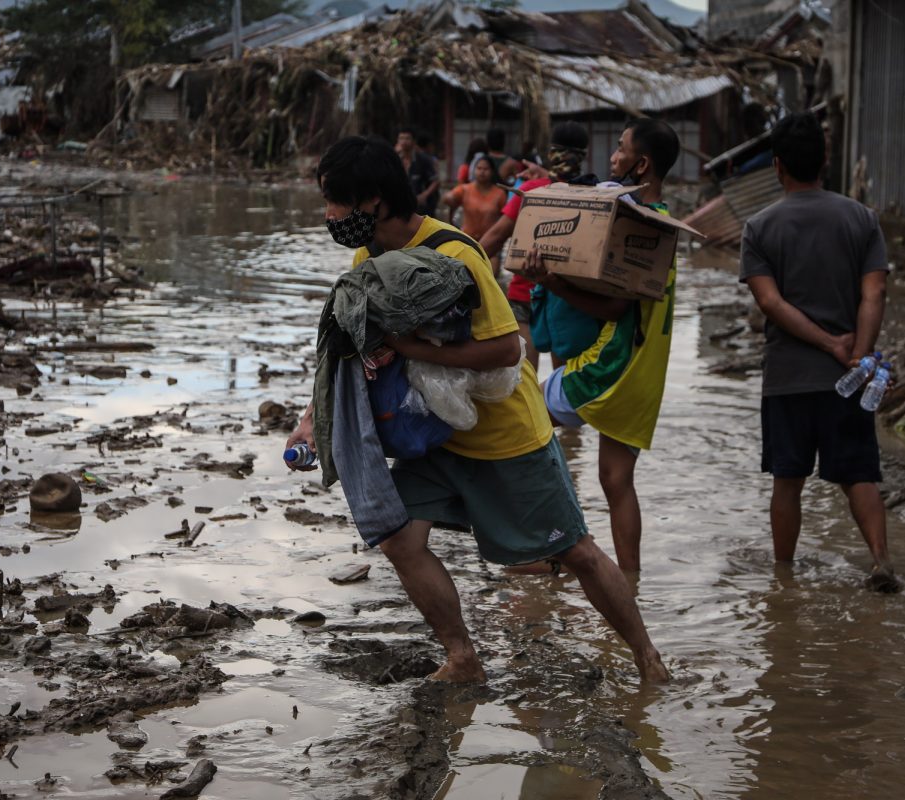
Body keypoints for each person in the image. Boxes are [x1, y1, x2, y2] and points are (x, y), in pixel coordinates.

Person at [287, 135, 669, 683]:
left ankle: (648, 659)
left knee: (578, 553)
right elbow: (349, 351)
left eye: (335, 202)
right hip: (436, 437)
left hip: (506, 439)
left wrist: (415, 347)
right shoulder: (367, 257)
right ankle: (463, 657)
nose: (329, 215)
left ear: (372, 200)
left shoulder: (455, 253)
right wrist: (311, 418)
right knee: (398, 539)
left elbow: (507, 348)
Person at [738, 112, 900, 593]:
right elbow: (875, 294)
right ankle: (881, 560)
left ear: (777, 165)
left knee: (788, 480)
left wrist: (829, 344)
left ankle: (784, 580)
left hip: (788, 377)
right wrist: (858, 354)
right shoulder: (861, 219)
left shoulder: (760, 227)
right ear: (826, 160)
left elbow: (769, 302)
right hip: (847, 377)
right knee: (858, 475)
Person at [517, 118, 682, 574]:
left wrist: (550, 280)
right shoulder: (665, 222)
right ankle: (629, 583)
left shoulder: (637, 224)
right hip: (647, 377)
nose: (612, 157)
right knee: (615, 479)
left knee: (522, 420)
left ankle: (552, 548)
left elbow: (612, 309)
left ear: (641, 163)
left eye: (621, 149)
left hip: (613, 366)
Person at [479, 122, 591, 368]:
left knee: (523, 385)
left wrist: (459, 262)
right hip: (569, 300)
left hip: (525, 296)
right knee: (562, 386)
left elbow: (496, 237)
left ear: (552, 153)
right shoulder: (594, 196)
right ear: (584, 154)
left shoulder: (531, 190)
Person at [442, 153, 507, 241]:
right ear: (474, 170)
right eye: (479, 168)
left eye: (486, 169)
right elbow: (447, 198)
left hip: (490, 241)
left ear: (492, 171)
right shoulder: (465, 189)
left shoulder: (500, 193)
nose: (482, 172)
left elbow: (505, 219)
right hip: (467, 240)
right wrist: (449, 198)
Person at [396, 126, 439, 217]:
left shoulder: (423, 159)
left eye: (407, 138)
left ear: (414, 141)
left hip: (421, 207)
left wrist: (424, 195)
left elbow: (435, 181)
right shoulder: (395, 159)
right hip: (400, 205)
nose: (404, 141)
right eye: (401, 138)